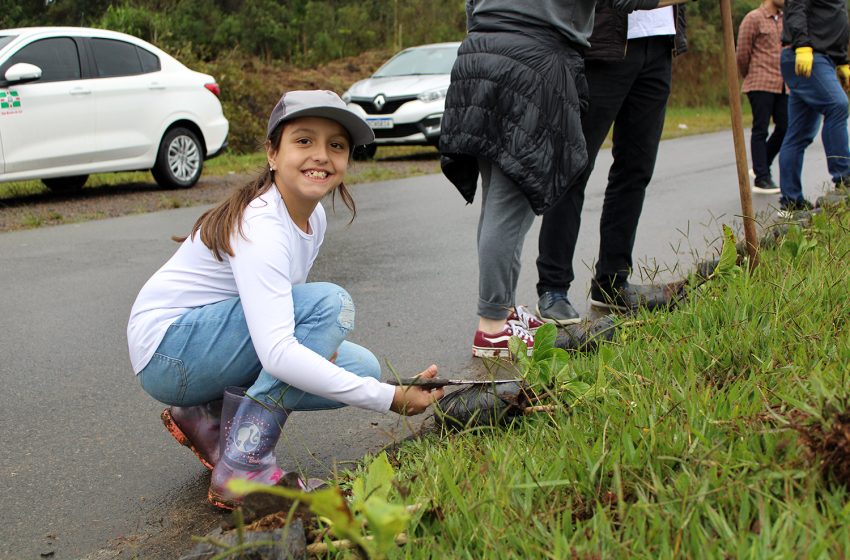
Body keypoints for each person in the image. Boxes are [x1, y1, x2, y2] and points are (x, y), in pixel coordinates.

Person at [127, 90, 444, 510]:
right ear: (272, 153)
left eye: (336, 145)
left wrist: (370, 381)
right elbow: (278, 352)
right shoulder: (261, 225)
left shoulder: (313, 217)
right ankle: (245, 464)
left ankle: (205, 416)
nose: (322, 155)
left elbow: (281, 318)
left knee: (363, 369)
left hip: (200, 350)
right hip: (170, 353)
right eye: (304, 140)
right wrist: (390, 400)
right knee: (332, 304)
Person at [442, 0, 672, 358]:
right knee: (508, 207)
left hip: (480, 54)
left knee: (497, 200)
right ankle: (493, 329)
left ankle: (503, 311)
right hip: (531, 63)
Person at [534, 0, 691, 322]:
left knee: (636, 169)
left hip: (659, 45)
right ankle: (553, 287)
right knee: (574, 166)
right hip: (604, 45)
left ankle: (612, 282)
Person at [777, 0, 850, 216]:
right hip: (807, 55)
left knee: (799, 133)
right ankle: (844, 176)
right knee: (838, 105)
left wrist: (842, 60)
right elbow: (796, 6)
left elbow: (834, 18)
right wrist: (802, 45)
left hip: (823, 58)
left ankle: (791, 201)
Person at [736, 0, 787, 195]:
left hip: (783, 84)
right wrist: (750, 75)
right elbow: (742, 53)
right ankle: (762, 177)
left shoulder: (787, 20)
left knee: (786, 126)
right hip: (760, 81)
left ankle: (761, 164)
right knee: (761, 128)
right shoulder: (753, 18)